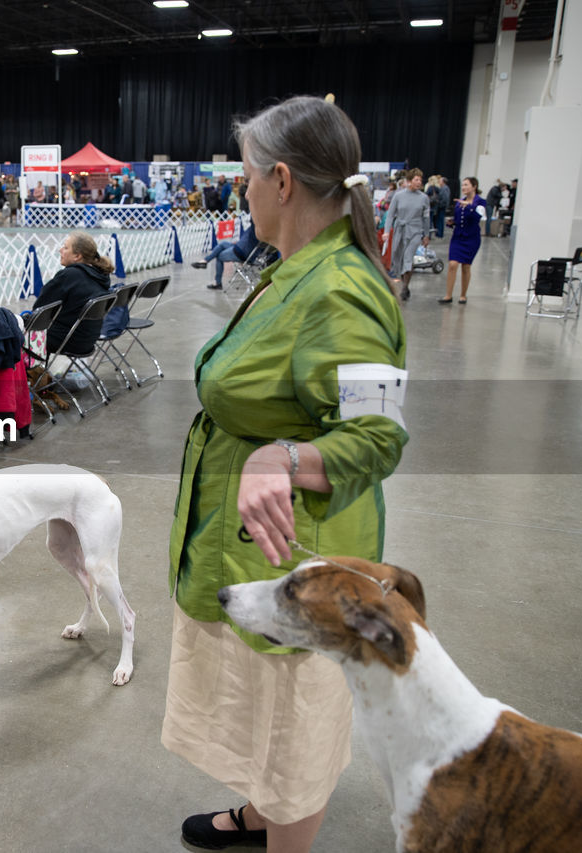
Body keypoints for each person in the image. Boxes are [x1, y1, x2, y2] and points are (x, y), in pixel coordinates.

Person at [165, 95, 407, 853]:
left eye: (243, 176)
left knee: (293, 723)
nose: (238, 191)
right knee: (259, 708)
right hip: (251, 538)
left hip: (295, 549)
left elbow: (378, 436)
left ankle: (285, 833)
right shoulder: (296, 267)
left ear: (280, 180)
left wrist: (286, 456)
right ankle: (258, 816)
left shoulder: (342, 288)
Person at [31, 231, 114, 355]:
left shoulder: (69, 276)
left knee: (12, 334)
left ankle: (23, 373)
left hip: (65, 340)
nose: (60, 250)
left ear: (77, 256)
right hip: (88, 340)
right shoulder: (102, 276)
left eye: (65, 247)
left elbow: (39, 309)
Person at [383, 168, 430, 300]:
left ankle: (404, 287)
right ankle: (405, 284)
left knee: (408, 257)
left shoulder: (424, 198)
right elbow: (390, 215)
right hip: (400, 230)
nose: (419, 182)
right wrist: (386, 232)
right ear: (409, 181)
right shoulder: (398, 196)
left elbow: (426, 218)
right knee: (399, 259)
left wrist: (426, 235)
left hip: (415, 231)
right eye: (416, 179)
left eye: (420, 180)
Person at [439, 177, 485, 305]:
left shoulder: (480, 202)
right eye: (463, 185)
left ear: (474, 186)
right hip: (458, 237)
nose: (463, 187)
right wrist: (452, 222)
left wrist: (470, 206)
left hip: (472, 238)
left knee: (466, 266)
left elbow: (478, 217)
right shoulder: (460, 201)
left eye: (466, 185)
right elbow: (460, 219)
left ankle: (463, 295)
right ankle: (448, 295)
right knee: (453, 264)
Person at [191, 215, 261, 290]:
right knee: (222, 244)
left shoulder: (256, 227)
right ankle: (205, 261)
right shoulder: (262, 230)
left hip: (241, 252)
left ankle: (217, 283)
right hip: (243, 248)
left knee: (219, 256)